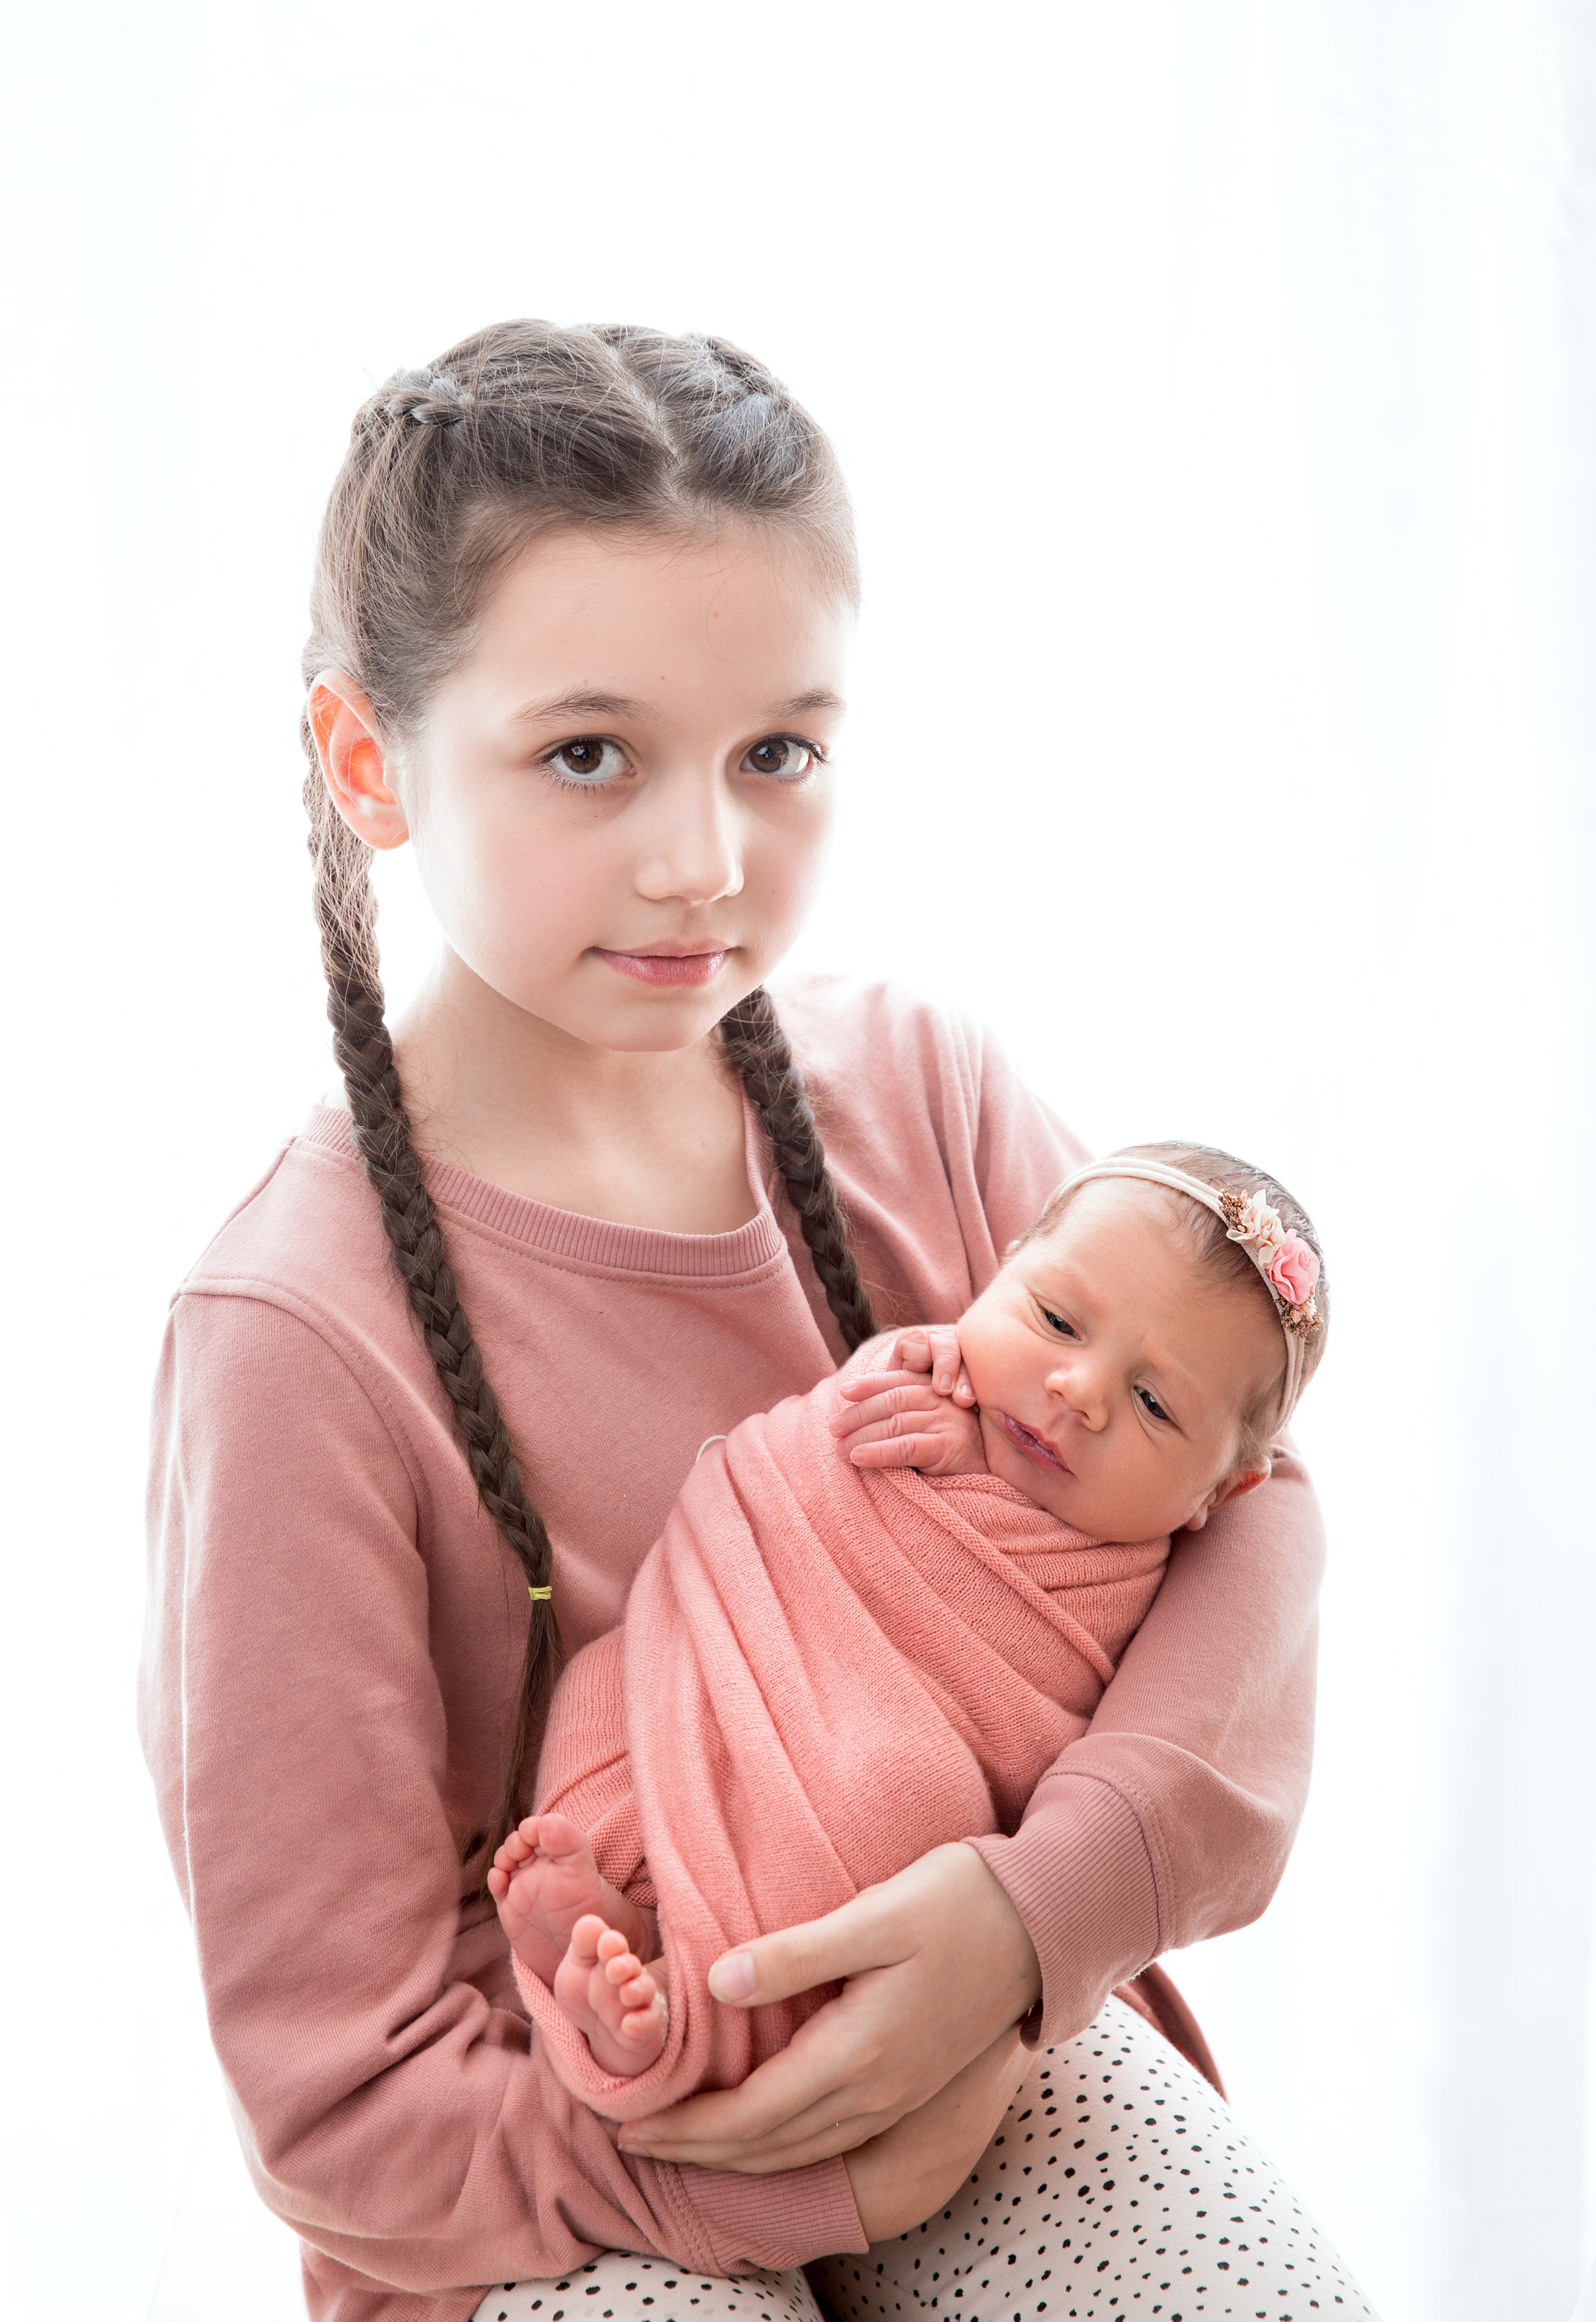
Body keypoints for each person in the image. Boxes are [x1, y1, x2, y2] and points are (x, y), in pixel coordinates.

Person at [141, 320, 1377, 2322]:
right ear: (370, 758)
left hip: (992, 2038)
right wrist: (775, 2176)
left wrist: (1024, 1917)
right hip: (561, 2172)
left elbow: (1260, 1505)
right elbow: (339, 2092)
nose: (704, 858)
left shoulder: (933, 1099)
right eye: (587, 753)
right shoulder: (293, 1336)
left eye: (777, 752)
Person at [493, 1147, 1327, 2112]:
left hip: (892, 1778)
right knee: (603, 1685)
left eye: (1151, 1404)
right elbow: (812, 1456)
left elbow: (1038, 1702)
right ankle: (623, 1913)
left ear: (1223, 1492)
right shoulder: (934, 1374)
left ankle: (695, 2012)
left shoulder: (1135, 1571)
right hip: (712, 1677)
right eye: (1055, 1320)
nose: (1078, 1391)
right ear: (1005, 1266)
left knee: (901, 1795)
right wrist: (910, 1372)